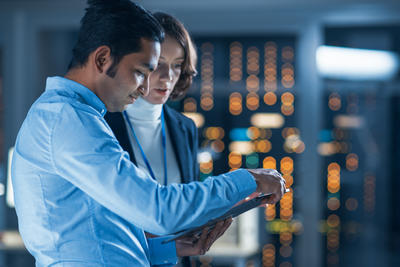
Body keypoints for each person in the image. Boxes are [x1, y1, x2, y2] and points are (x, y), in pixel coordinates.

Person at [11, 0, 286, 266]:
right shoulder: (68, 120)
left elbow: (96, 239)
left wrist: (163, 249)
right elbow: (158, 210)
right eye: (141, 72)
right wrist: (248, 179)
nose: (145, 88)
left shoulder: (77, 117)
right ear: (103, 58)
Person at [104, 12, 203, 266]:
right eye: (158, 63)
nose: (169, 76)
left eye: (178, 64)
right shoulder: (104, 124)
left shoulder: (185, 128)